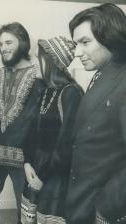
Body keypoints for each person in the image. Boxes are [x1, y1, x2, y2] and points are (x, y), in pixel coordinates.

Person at [65, 3, 126, 224]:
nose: (77, 52)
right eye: (75, 44)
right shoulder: (103, 73)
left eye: (85, 42)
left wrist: (107, 205)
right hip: (83, 202)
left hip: (100, 210)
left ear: (111, 37)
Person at [0, 22, 44, 224]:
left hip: (25, 157)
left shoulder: (39, 76)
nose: (3, 48)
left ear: (22, 43)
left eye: (8, 42)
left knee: (26, 209)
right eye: (0, 43)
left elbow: (42, 118)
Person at [20, 36, 83, 224]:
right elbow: (31, 131)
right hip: (35, 172)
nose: (33, 63)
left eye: (36, 58)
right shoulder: (46, 89)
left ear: (51, 61)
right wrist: (27, 163)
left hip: (55, 179)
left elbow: (67, 145)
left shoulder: (71, 93)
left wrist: (42, 176)